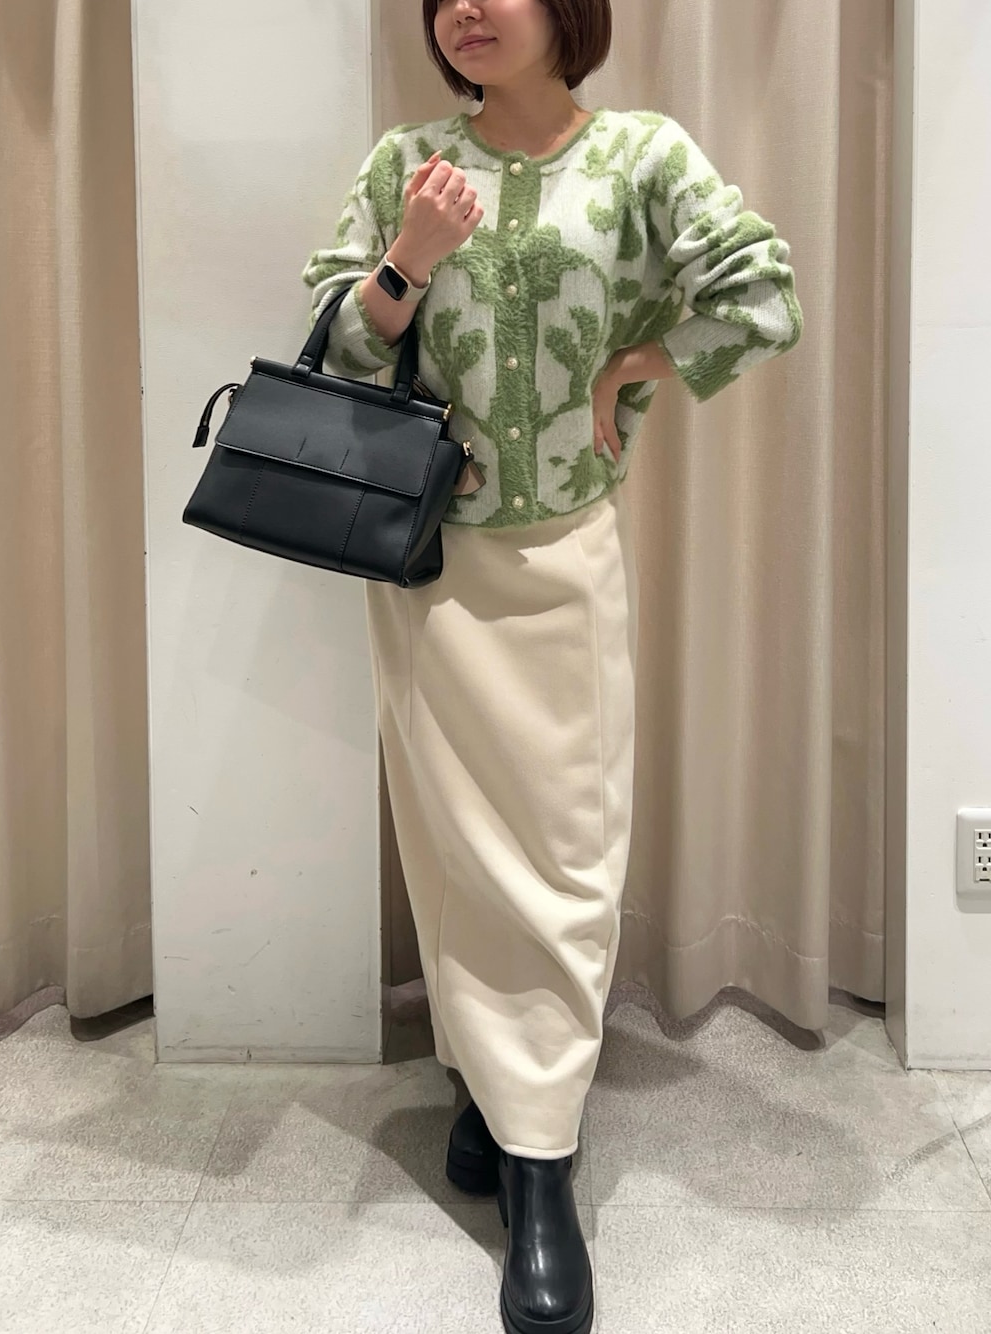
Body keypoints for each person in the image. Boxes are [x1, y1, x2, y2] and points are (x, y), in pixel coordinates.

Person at [301, 3, 804, 1330]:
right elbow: (334, 344)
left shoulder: (642, 157)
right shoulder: (407, 162)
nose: (467, 8)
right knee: (457, 851)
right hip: (428, 565)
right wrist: (408, 259)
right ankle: (498, 1099)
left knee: (567, 851)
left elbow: (764, 293)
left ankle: (540, 1160)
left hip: (564, 555)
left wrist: (640, 360)